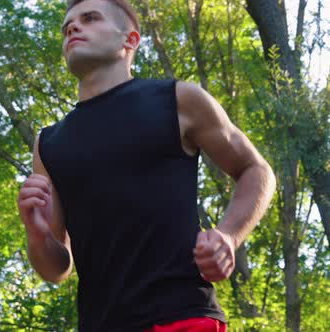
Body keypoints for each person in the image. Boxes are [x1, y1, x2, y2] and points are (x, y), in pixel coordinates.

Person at [16, 0, 276, 331]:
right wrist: (37, 235)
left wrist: (228, 236)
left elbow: (256, 170)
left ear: (130, 40)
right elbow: (56, 268)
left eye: (90, 18)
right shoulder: (49, 143)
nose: (73, 28)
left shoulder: (178, 100)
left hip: (182, 317)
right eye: (68, 26)